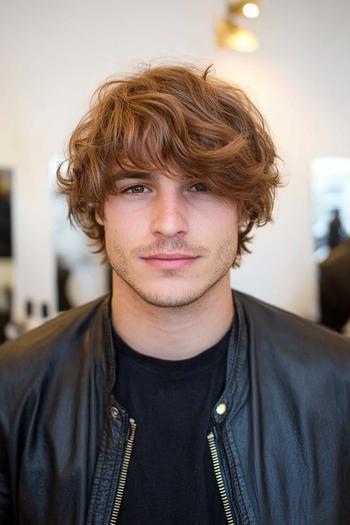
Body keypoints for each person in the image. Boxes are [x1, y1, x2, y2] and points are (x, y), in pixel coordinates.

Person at [0, 65, 349, 525]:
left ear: (244, 209)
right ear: (99, 209)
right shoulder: (14, 388)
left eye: (201, 186)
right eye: (137, 187)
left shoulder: (338, 384)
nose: (168, 223)